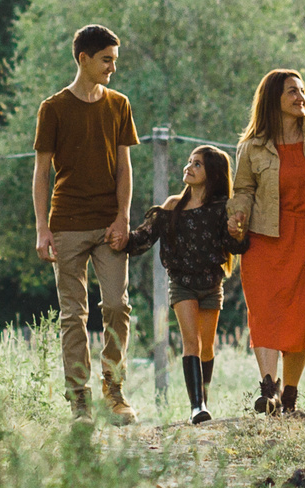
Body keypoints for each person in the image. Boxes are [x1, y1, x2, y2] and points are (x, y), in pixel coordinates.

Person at [32, 24, 139, 422]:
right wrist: (43, 228)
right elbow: (41, 171)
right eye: (106, 60)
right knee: (72, 315)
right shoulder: (54, 108)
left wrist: (123, 217)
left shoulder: (119, 105)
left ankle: (114, 391)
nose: (112, 67)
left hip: (109, 225)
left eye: (114, 60)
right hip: (67, 225)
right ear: (84, 59)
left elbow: (125, 168)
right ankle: (79, 399)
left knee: (116, 306)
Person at [227, 68, 305, 416]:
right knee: (265, 314)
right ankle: (268, 392)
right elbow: (243, 190)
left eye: (302, 90)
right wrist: (237, 218)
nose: (300, 97)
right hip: (265, 238)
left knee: (303, 316)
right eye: (292, 91)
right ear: (272, 100)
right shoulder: (252, 146)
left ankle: (290, 397)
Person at [123, 143, 247, 426]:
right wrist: (122, 239)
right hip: (182, 285)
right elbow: (143, 238)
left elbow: (235, 246)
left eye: (197, 164)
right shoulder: (171, 207)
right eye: (189, 162)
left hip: (211, 284)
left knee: (207, 347)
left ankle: (203, 399)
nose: (188, 167)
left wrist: (235, 231)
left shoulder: (220, 209)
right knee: (191, 342)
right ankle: (197, 407)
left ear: (212, 173)